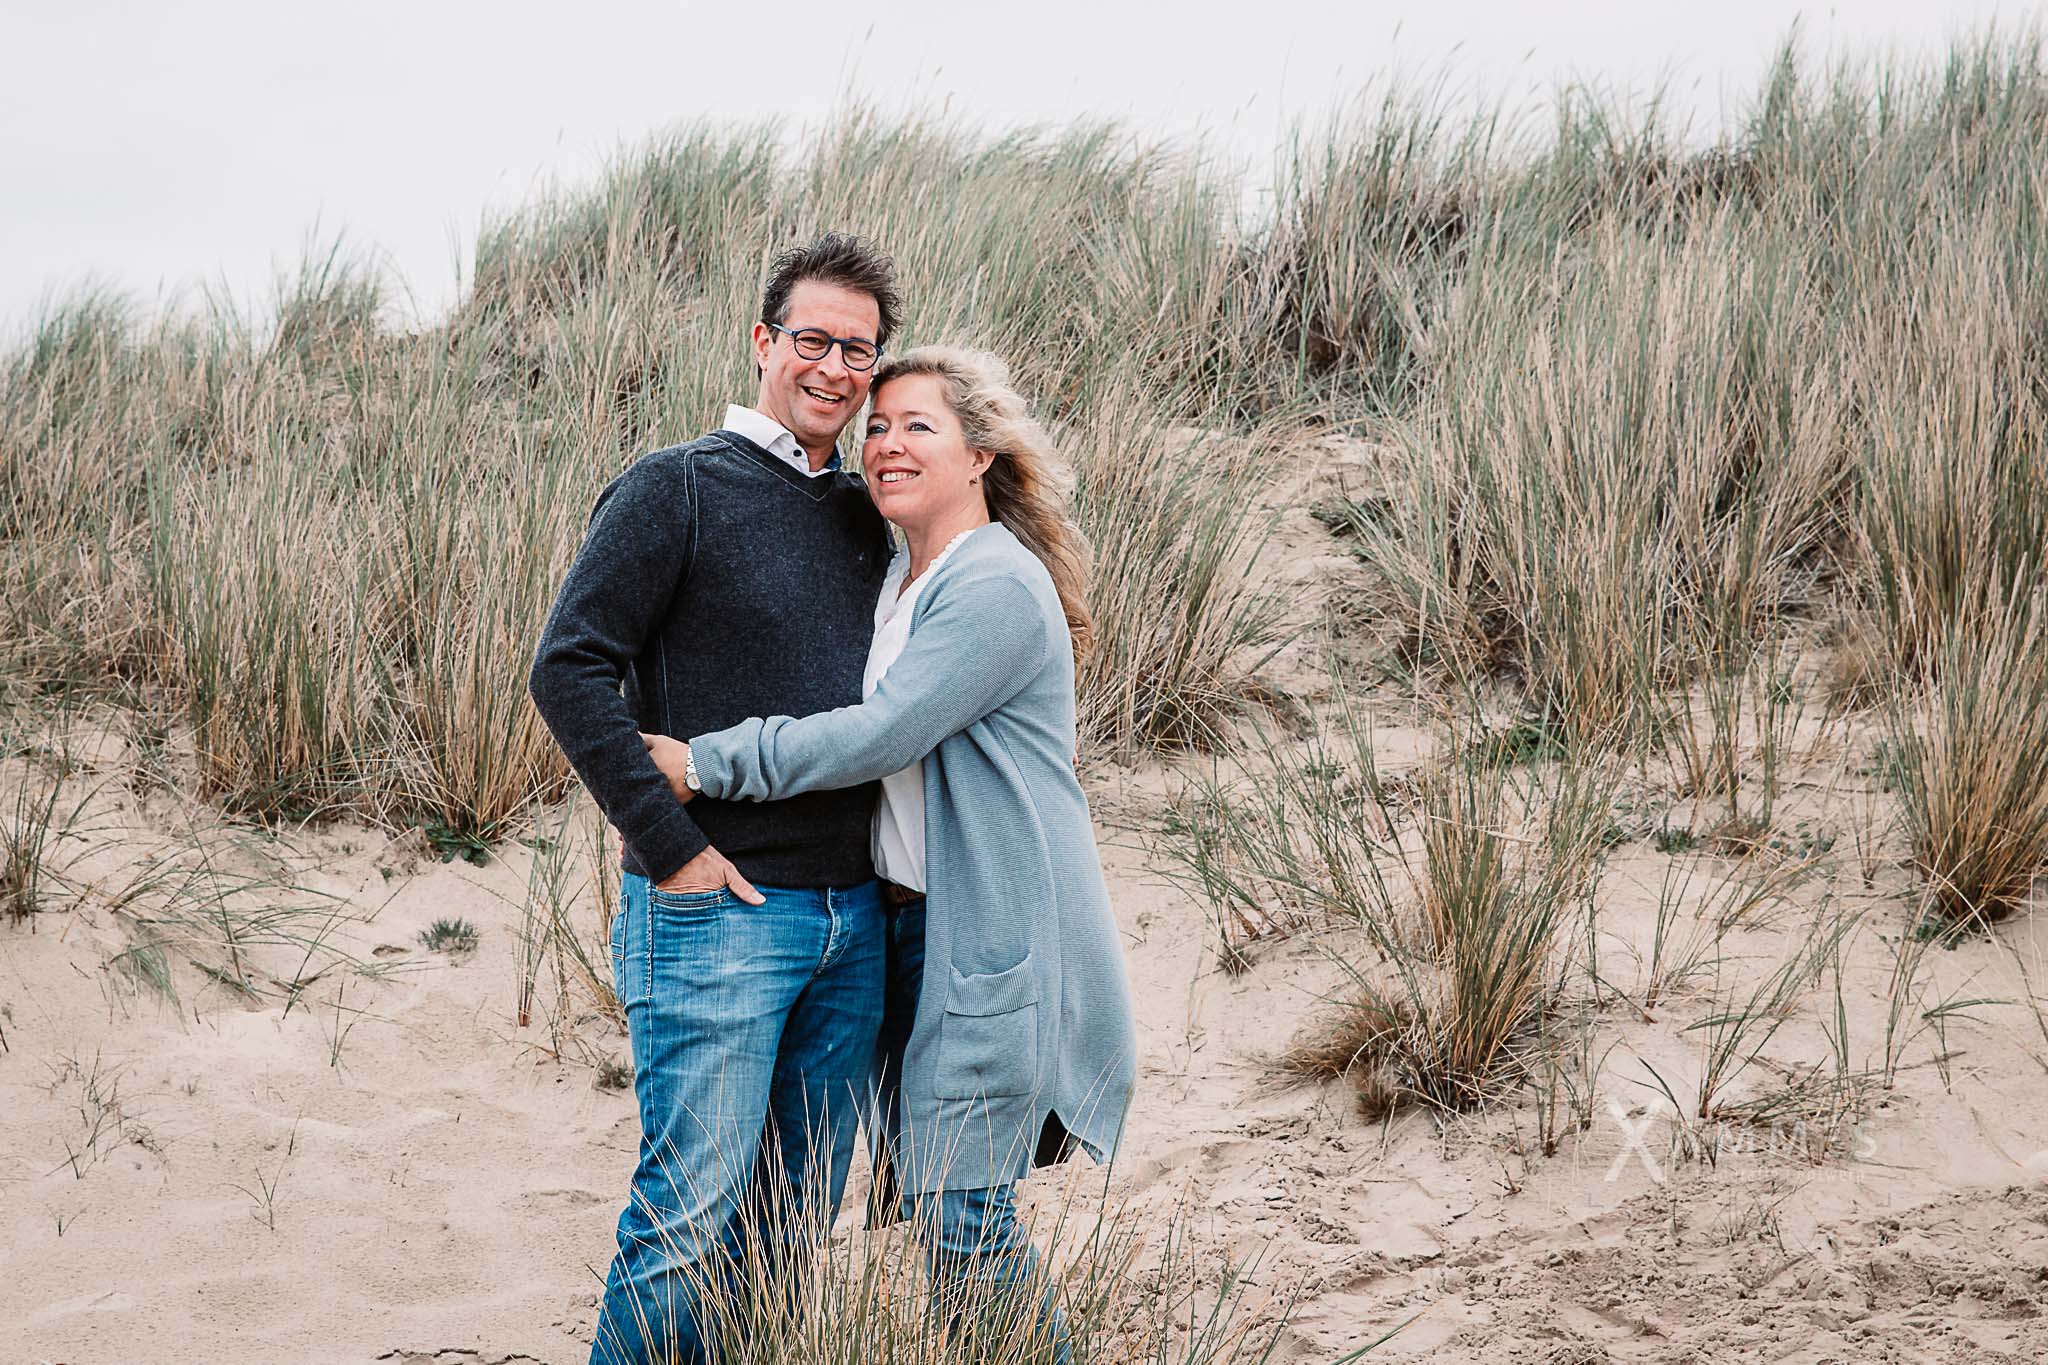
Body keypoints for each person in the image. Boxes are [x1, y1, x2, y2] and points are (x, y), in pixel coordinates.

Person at [643, 346, 1139, 1360]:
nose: (886, 443)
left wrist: (704, 764)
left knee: (966, 1220)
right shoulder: (899, 579)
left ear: (981, 457)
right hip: (903, 925)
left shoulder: (993, 582)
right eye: (876, 426)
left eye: (918, 425)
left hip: (986, 934)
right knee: (941, 1213)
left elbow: (881, 734)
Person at [527, 233, 902, 1365]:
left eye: (860, 353)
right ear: (761, 343)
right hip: (719, 915)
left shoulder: (862, 514)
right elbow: (568, 667)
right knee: (684, 1222)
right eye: (812, 341)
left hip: (853, 921)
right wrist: (670, 848)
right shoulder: (675, 486)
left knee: (789, 1234)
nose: (834, 369)